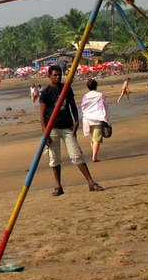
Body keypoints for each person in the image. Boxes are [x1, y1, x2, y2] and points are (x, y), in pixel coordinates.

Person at [38, 66, 105, 195]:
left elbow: (72, 105)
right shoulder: (46, 92)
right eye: (55, 75)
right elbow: (42, 114)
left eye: (59, 75)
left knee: (76, 155)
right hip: (52, 128)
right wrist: (45, 133)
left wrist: (76, 120)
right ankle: (58, 186)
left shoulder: (66, 88)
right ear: (49, 76)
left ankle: (91, 182)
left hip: (67, 127)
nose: (57, 77)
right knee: (54, 158)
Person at [80, 78, 109, 162]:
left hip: (87, 119)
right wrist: (105, 117)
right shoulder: (100, 95)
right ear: (96, 86)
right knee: (96, 139)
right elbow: (104, 106)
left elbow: (83, 107)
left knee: (92, 138)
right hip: (97, 118)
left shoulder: (86, 96)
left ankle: (94, 155)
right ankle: (94, 157)